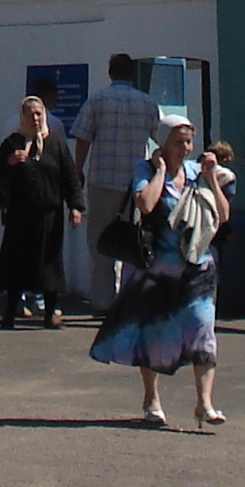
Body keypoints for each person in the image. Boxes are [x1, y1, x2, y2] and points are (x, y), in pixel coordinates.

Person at [89, 119, 228, 429]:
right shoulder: (146, 170)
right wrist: (161, 171)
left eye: (189, 142)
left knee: (203, 331)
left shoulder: (197, 173)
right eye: (178, 142)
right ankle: (151, 398)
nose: (185, 149)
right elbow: (147, 204)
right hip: (155, 273)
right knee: (153, 335)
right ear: (164, 143)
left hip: (198, 271)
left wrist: (211, 179)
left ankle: (204, 404)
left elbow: (223, 215)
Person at [71, 54, 162, 310]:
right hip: (135, 184)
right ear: (132, 74)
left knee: (100, 242)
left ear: (110, 73)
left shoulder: (97, 100)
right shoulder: (148, 103)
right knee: (134, 241)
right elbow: (160, 140)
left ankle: (102, 302)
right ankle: (129, 298)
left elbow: (83, 138)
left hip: (102, 179)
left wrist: (78, 170)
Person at [0, 95, 84, 328]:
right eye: (30, 114)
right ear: (22, 117)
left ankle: (50, 312)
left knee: (50, 264)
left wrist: (76, 206)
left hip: (49, 214)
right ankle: (10, 311)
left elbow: (69, 177)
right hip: (19, 214)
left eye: (39, 113)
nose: (35, 118)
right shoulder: (13, 142)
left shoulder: (56, 144)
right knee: (15, 263)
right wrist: (9, 161)